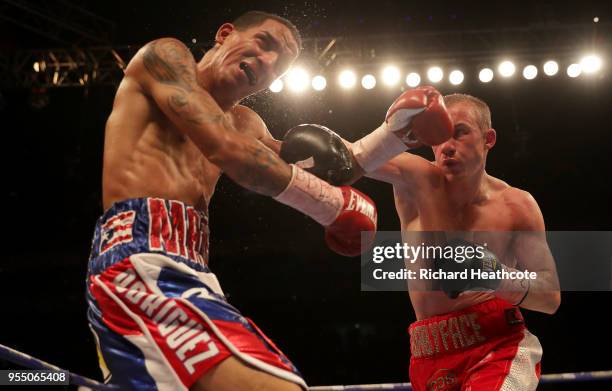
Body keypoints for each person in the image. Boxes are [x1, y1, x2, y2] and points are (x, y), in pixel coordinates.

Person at [86, 10, 382, 391]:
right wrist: (329, 205)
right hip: (139, 260)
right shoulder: (166, 58)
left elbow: (331, 167)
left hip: (193, 269)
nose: (269, 63)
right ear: (225, 34)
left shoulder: (246, 124)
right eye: (264, 43)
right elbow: (231, 153)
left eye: (280, 65)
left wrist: (397, 131)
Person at [280, 90, 561, 390]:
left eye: (460, 133)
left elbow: (550, 296)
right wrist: (267, 145)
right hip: (429, 353)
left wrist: (491, 275)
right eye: (439, 138)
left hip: (497, 344)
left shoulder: (517, 205)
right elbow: (340, 157)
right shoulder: (415, 177)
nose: (447, 147)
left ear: (488, 139)